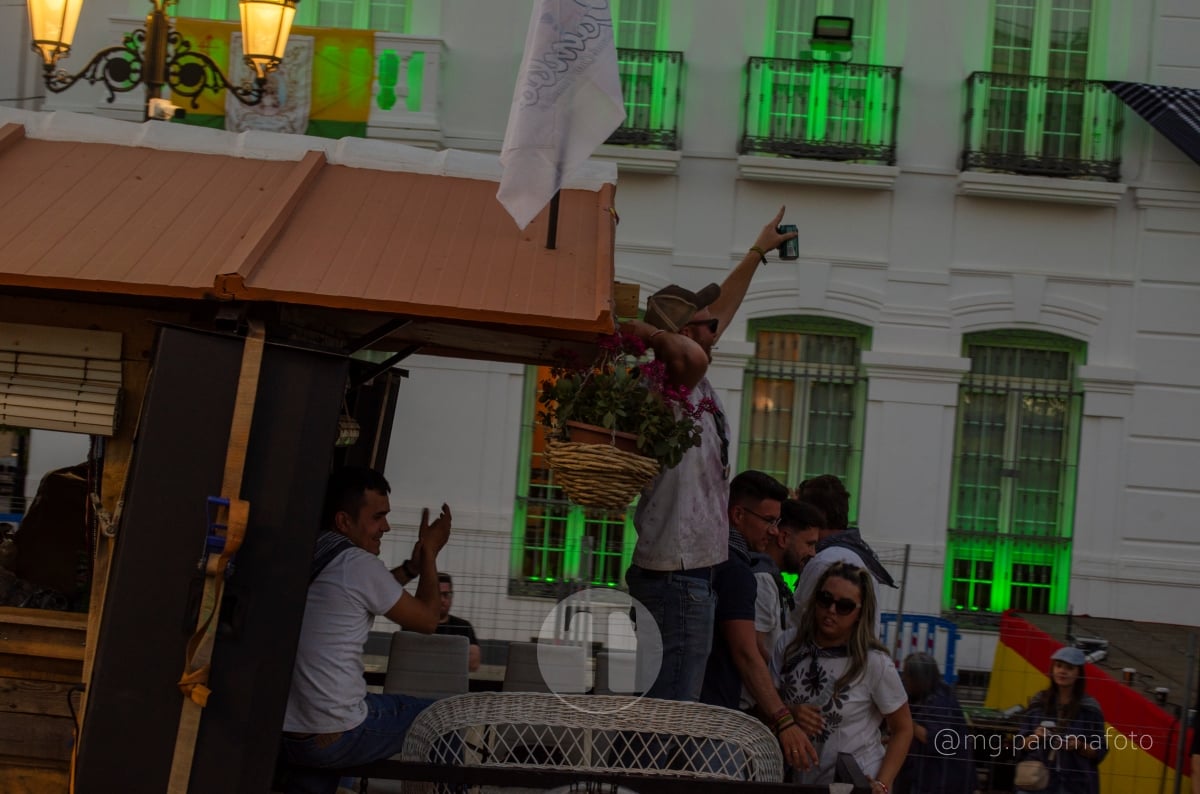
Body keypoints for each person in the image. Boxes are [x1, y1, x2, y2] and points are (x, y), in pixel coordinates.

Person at [620, 207, 799, 703]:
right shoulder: (667, 383)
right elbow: (689, 351)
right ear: (680, 337)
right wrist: (651, 332)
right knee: (670, 709)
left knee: (673, 702)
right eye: (702, 324)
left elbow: (722, 308)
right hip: (675, 574)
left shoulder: (692, 380)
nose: (715, 328)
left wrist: (757, 252)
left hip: (689, 571)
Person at [281, 466, 452, 794]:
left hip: (293, 733)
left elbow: (373, 591)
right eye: (377, 517)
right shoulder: (357, 565)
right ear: (344, 521)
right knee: (444, 720)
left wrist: (411, 569)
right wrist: (429, 554)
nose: (385, 526)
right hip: (336, 733)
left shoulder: (317, 551)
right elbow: (428, 620)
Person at [699, 470, 818, 770]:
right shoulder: (738, 571)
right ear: (738, 514)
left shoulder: (711, 555)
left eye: (777, 522)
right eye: (768, 521)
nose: (775, 532)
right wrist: (784, 719)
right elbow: (746, 652)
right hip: (718, 721)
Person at [773, 562, 912, 792]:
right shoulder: (788, 645)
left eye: (844, 606)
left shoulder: (874, 662)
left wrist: (883, 784)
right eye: (825, 599)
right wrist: (790, 713)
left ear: (860, 613)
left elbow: (903, 728)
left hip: (855, 782)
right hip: (797, 781)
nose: (831, 610)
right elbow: (764, 706)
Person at [740, 498, 823, 711]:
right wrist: (784, 685)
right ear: (784, 538)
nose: (813, 553)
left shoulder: (773, 580)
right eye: (809, 543)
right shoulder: (763, 581)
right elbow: (755, 646)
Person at [789, 474, 895, 623]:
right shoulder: (854, 553)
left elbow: (798, 622)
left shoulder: (826, 561)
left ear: (819, 515)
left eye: (802, 513)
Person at [1014, 646, 1108, 794]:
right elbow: (1020, 744)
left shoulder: (1089, 709)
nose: (1062, 671)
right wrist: (1035, 737)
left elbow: (1099, 751)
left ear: (1078, 673)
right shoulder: (1039, 702)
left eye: (1069, 668)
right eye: (1058, 666)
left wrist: (1079, 745)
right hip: (1037, 781)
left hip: (1075, 783)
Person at [895, 652, 976, 794]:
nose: (904, 679)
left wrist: (906, 722)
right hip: (925, 774)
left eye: (908, 675)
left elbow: (934, 738)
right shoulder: (919, 696)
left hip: (944, 777)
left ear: (918, 678)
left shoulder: (941, 699)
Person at [435, 572, 481, 672]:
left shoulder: (463, 626)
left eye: (446, 595)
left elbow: (474, 664)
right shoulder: (416, 624)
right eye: (438, 594)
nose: (442, 600)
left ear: (451, 596)